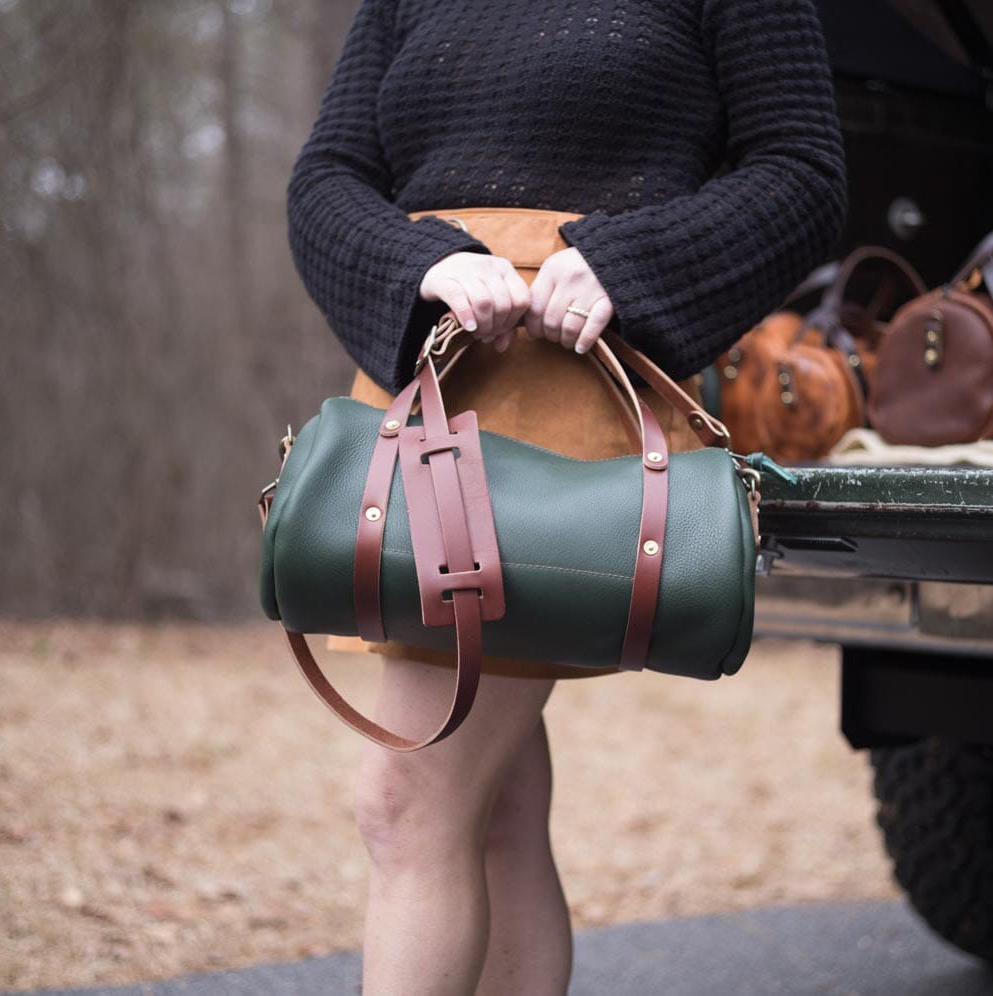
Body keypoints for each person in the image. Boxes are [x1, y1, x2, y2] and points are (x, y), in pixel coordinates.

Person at [286, 1, 846, 992]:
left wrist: (629, 265)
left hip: (572, 381)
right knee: (490, 811)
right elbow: (326, 179)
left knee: (407, 802)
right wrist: (424, 265)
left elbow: (802, 176)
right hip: (427, 375)